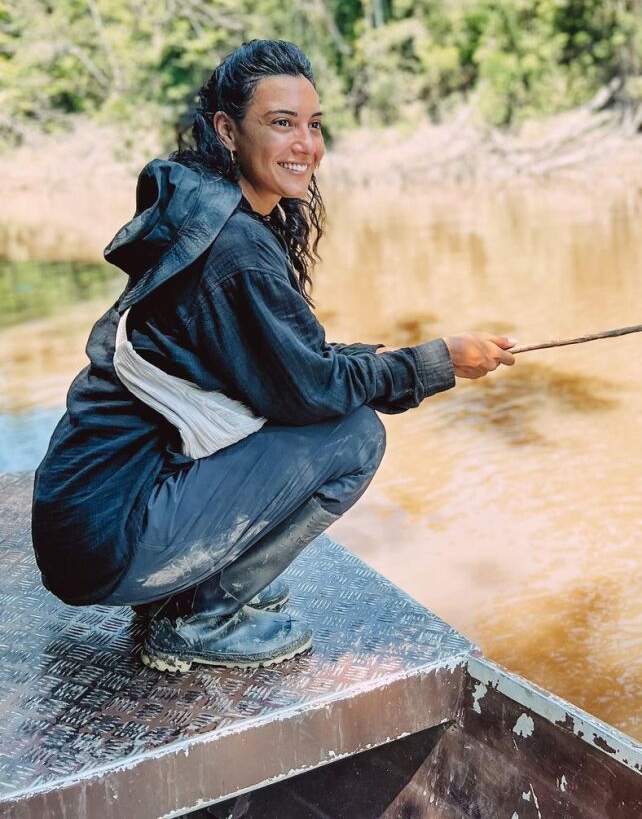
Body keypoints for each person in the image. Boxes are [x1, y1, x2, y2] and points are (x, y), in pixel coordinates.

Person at [31, 39, 516, 673]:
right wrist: (435, 362)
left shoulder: (210, 212)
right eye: (282, 123)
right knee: (353, 436)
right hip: (107, 536)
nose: (305, 145)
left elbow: (283, 362)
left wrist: (380, 359)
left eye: (314, 125)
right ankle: (199, 617)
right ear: (227, 131)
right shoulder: (234, 249)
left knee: (332, 410)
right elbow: (308, 391)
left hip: (91, 522)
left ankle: (192, 587)